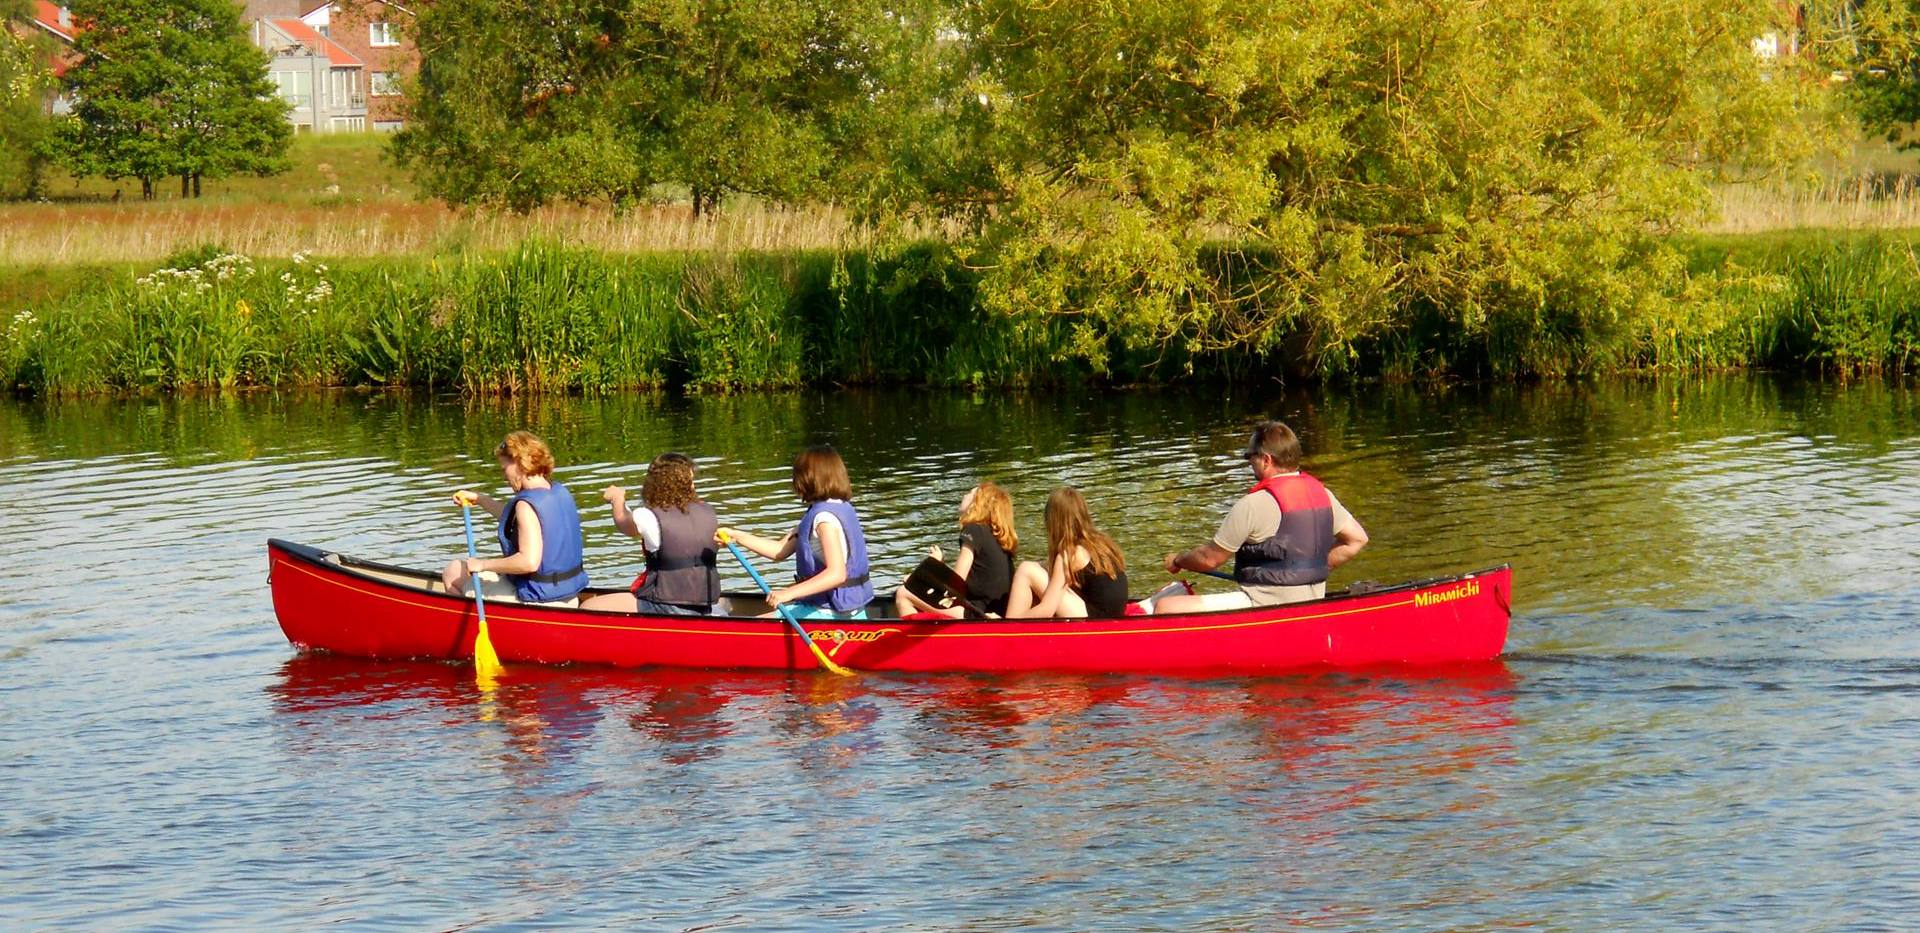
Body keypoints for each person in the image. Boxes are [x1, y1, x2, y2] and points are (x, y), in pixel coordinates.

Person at [1155, 420, 1368, 613]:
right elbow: (1357, 540)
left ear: (1266, 460)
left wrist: (1179, 560)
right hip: (1311, 602)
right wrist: (1313, 566)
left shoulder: (1253, 504)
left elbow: (1209, 559)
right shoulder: (1323, 494)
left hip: (1263, 605)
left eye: (1250, 456)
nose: (1249, 462)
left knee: (1165, 606)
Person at [718, 445, 875, 620]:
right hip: (848, 609)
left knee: (749, 628)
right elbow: (779, 550)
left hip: (831, 612)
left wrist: (788, 593)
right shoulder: (835, 508)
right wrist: (737, 536)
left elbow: (836, 574)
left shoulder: (824, 520)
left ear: (808, 478)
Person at [441, 430, 590, 608]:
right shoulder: (558, 491)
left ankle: (474, 620)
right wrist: (480, 499)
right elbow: (517, 521)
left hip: (538, 600)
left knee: (453, 572)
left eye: (504, 469)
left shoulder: (525, 505)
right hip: (569, 595)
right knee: (466, 571)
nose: (504, 476)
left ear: (519, 462)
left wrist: (483, 564)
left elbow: (528, 562)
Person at [581, 452, 721, 615]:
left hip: (666, 603)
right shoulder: (708, 511)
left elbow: (624, 524)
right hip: (705, 602)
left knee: (588, 606)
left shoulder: (649, 516)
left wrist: (617, 499)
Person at [893, 481, 1018, 619]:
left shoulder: (973, 529)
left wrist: (917, 581)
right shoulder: (1001, 538)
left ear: (977, 504)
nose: (964, 495)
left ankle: (918, 634)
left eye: (970, 493)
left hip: (977, 613)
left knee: (904, 593)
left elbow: (956, 584)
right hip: (997, 610)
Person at [1004, 486, 1129, 619]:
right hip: (1114, 614)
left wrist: (1019, 617)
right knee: (1039, 568)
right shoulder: (1101, 543)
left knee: (1026, 569)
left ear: (1053, 521)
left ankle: (1009, 623)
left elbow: (1047, 610)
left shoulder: (1070, 554)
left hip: (1096, 619)